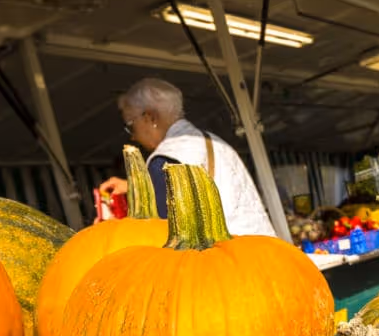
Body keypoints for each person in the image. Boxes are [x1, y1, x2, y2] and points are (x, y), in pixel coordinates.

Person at [97, 78, 275, 235]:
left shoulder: (166, 159)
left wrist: (115, 228)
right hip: (266, 252)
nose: (132, 137)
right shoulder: (216, 143)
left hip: (229, 260)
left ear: (150, 118)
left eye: (131, 126)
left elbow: (163, 237)